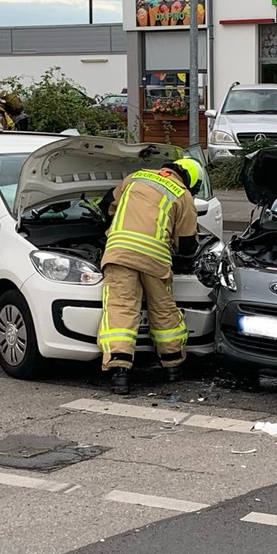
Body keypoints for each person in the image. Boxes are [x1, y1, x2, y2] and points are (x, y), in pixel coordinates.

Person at [96, 157, 202, 395]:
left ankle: (120, 374)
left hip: (120, 253)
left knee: (121, 308)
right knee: (163, 309)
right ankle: (173, 366)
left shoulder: (135, 177)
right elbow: (186, 246)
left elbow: (106, 206)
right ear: (190, 180)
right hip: (155, 259)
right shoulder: (183, 195)